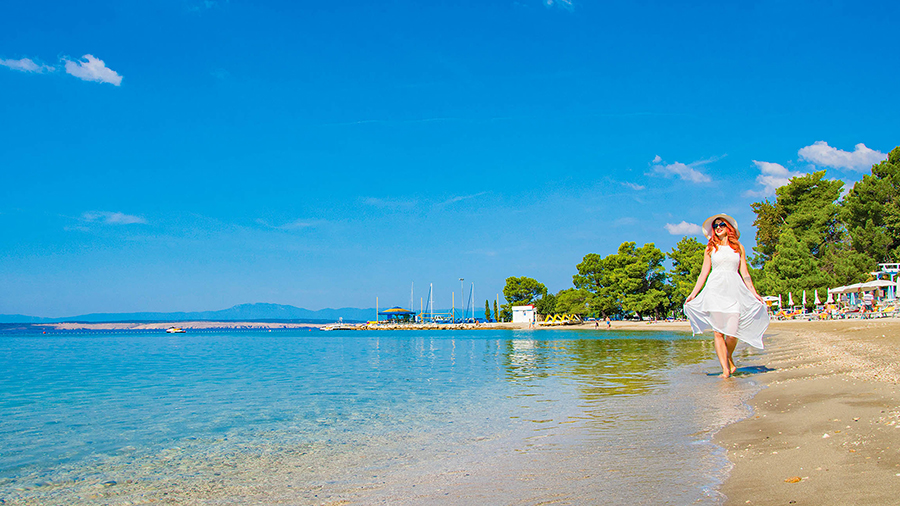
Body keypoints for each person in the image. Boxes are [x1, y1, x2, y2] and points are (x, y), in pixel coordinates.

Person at [684, 214, 769, 378]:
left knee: (732, 333)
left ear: (729, 227)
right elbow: (703, 273)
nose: (718, 227)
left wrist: (754, 293)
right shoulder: (709, 249)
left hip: (734, 291)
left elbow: (745, 273)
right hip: (714, 290)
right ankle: (725, 370)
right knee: (718, 333)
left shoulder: (738, 248)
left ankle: (728, 356)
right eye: (715, 226)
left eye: (721, 224)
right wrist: (693, 294)